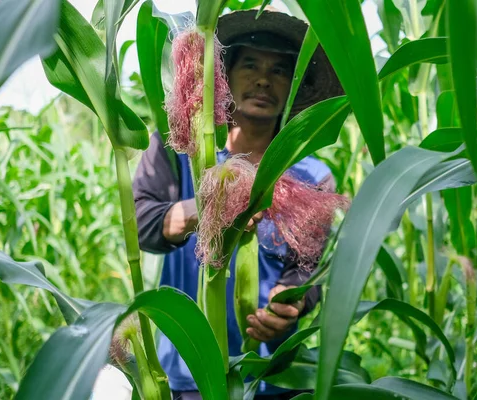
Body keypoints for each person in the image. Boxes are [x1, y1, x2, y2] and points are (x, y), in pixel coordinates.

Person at [132, 7, 342, 400]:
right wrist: (212, 207)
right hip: (191, 371)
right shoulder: (182, 149)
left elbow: (308, 269)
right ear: (224, 77)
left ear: (295, 85)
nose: (264, 79)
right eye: (251, 65)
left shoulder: (314, 176)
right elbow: (142, 224)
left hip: (272, 374)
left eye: (280, 70)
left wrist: (293, 302)